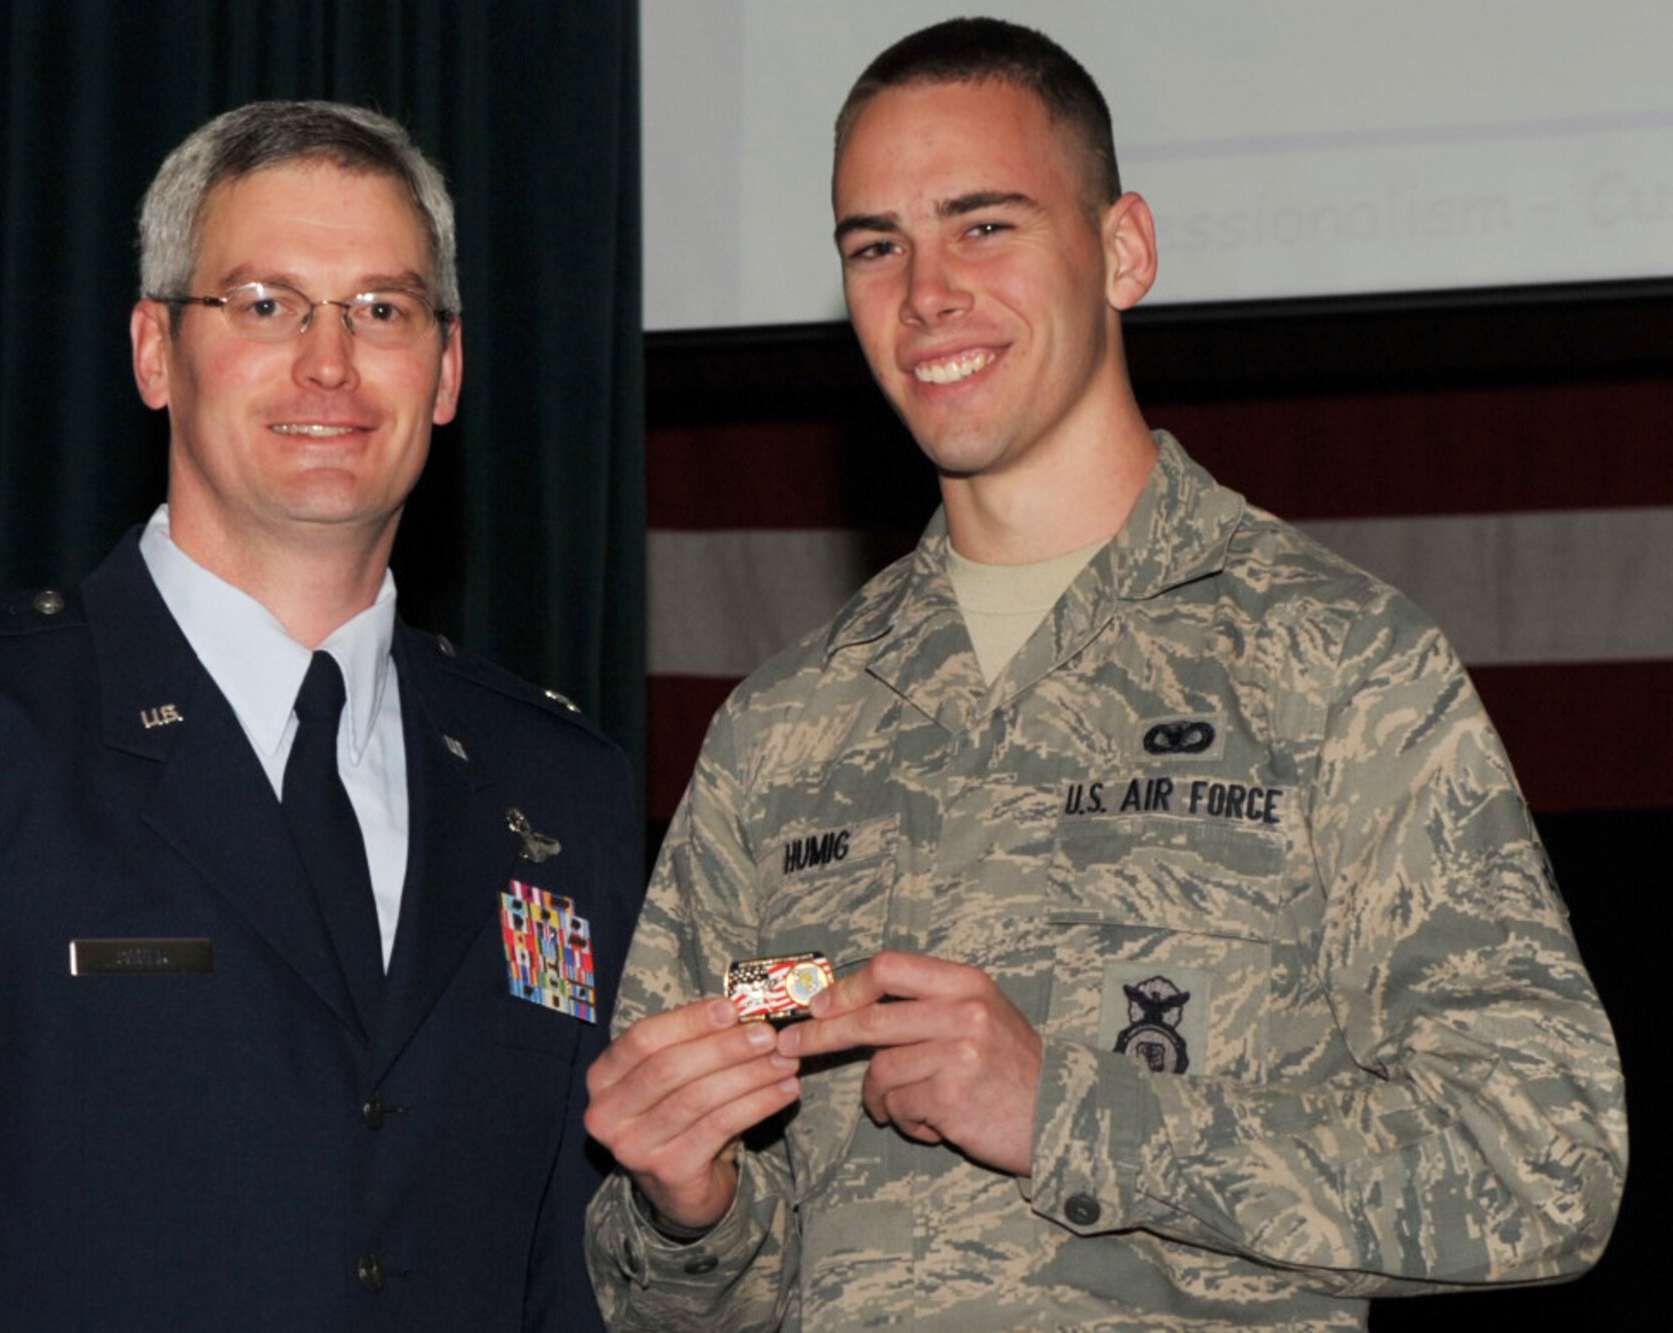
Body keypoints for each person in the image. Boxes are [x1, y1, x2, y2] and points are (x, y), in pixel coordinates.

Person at [584, 19, 1625, 1330]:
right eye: (875, 246)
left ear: (1122, 249)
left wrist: (1071, 1113)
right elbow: (670, 1298)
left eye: (985, 226)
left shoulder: (1333, 665)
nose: (924, 294)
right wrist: (692, 1208)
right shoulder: (783, 733)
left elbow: (1545, 1163)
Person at [0, 100, 640, 1330]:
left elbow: (577, 1266)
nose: (328, 361)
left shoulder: (557, 784)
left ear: (447, 368)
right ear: (154, 351)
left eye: (382, 308)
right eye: (264, 304)